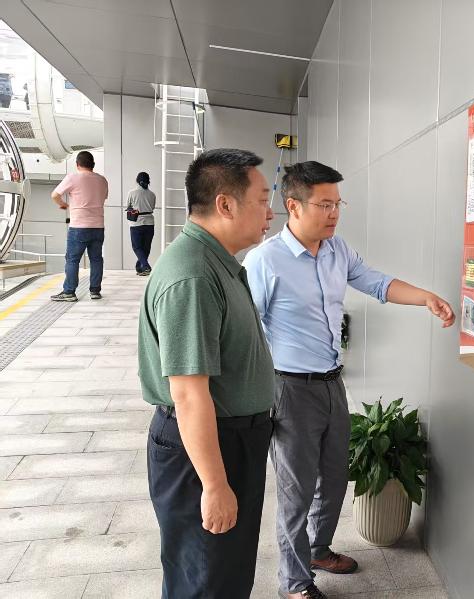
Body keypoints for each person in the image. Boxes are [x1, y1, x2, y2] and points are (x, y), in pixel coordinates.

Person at [243, 161, 455, 599]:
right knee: (296, 490)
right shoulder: (265, 260)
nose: (334, 213)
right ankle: (294, 582)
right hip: (289, 388)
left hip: (331, 383)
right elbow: (248, 331)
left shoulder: (337, 250)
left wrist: (425, 298)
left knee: (335, 474)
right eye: (324, 204)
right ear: (293, 206)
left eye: (338, 204)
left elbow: (376, 282)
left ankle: (318, 549)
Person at [138, 148, 275, 598]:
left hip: (229, 441)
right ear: (226, 204)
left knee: (225, 574)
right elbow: (188, 393)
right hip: (207, 449)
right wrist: (215, 485)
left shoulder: (216, 261)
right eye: (263, 200)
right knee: (205, 580)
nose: (270, 213)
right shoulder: (194, 276)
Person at [50, 150, 108, 301]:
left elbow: (55, 195)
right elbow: (104, 197)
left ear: (77, 164)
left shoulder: (73, 177)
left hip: (79, 227)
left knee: (72, 259)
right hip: (98, 226)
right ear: (93, 164)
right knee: (96, 259)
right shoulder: (102, 180)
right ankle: (95, 291)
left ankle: (69, 292)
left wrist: (63, 204)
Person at [127, 171, 156, 275]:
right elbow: (152, 207)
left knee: (137, 247)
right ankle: (140, 267)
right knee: (146, 247)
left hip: (136, 223)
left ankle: (146, 266)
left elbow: (128, 206)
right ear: (148, 181)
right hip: (150, 223)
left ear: (137, 180)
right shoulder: (152, 194)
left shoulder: (131, 193)